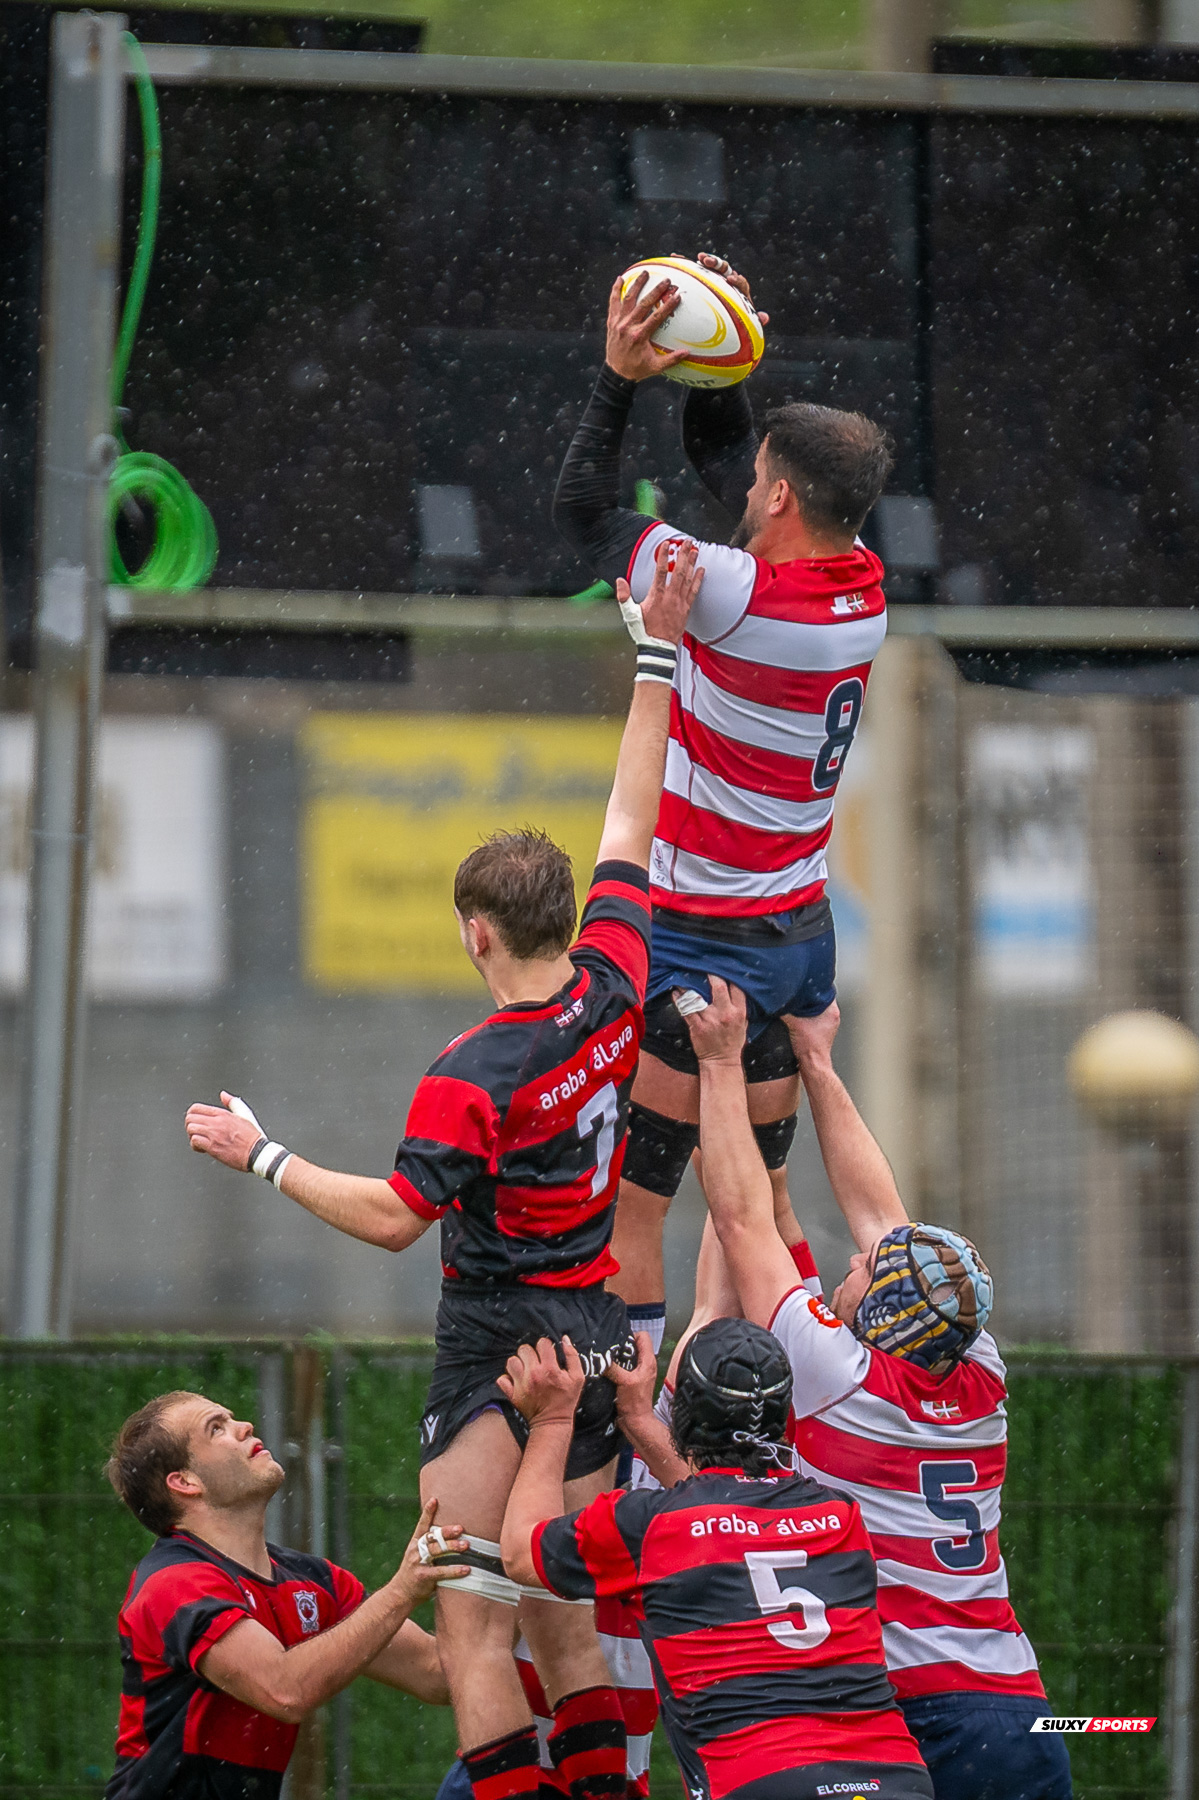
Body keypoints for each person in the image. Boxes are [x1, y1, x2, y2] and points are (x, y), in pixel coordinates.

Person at [184, 543, 705, 1800]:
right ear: (560, 920)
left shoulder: (470, 1069)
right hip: (585, 1329)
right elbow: (630, 814)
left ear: (476, 933)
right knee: (559, 1611)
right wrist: (655, 657)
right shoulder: (612, 978)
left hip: (493, 1341)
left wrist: (261, 1154)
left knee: (475, 1616)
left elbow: (391, 1220)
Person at [553, 253, 895, 1351]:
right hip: (794, 930)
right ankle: (799, 1415)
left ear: (783, 497)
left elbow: (580, 508)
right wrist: (720, 348)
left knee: (634, 1211)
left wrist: (618, 376)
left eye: (760, 479)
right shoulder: (856, 583)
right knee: (763, 1202)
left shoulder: (735, 595)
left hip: (708, 941)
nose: (740, 484)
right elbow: (717, 457)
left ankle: (641, 1462)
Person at [617, 981, 1072, 1800]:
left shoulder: (839, 1380)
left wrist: (721, 1063)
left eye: (864, 1271)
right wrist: (818, 1063)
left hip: (919, 1718)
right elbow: (883, 1224)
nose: (852, 1263)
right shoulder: (977, 1372)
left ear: (886, 1311)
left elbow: (742, 1222)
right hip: (1020, 1708)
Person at [495, 1328, 934, 1800]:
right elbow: (733, 1511)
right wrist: (639, 1419)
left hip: (759, 1783)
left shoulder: (648, 1526)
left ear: (683, 1416)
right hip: (891, 1778)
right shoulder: (842, 1519)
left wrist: (553, 1421)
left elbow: (521, 1552)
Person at [103, 1389, 462, 1800]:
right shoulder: (173, 1583)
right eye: (216, 1428)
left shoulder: (313, 1580)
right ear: (185, 1482)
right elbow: (284, 1690)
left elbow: (437, 1675)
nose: (245, 1427)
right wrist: (401, 1590)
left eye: (231, 1417)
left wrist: (524, 1571)